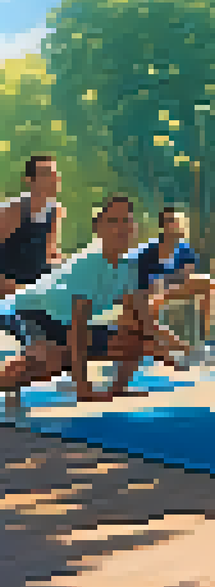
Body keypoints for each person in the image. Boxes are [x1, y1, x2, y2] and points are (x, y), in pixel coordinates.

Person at [0, 196, 170, 406]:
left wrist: (169, 348)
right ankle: (12, 375)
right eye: (113, 221)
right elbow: (78, 328)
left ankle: (117, 389)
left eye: (126, 221)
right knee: (51, 360)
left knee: (135, 338)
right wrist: (83, 387)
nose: (120, 228)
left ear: (135, 228)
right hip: (27, 311)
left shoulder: (130, 270)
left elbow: (142, 322)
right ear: (98, 228)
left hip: (64, 323)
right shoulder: (90, 264)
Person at [137, 207, 215, 368]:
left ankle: (204, 338)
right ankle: (167, 347)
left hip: (174, 289)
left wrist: (166, 279)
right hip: (153, 293)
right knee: (148, 304)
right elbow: (145, 282)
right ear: (163, 226)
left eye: (178, 222)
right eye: (171, 222)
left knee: (208, 282)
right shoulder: (150, 250)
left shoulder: (184, 249)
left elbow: (185, 276)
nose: (176, 225)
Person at [0, 155, 68, 300]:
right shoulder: (13, 211)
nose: (53, 179)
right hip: (11, 287)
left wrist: (66, 265)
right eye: (46, 174)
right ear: (29, 180)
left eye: (55, 174)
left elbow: (50, 254)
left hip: (36, 286)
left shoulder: (56, 211)